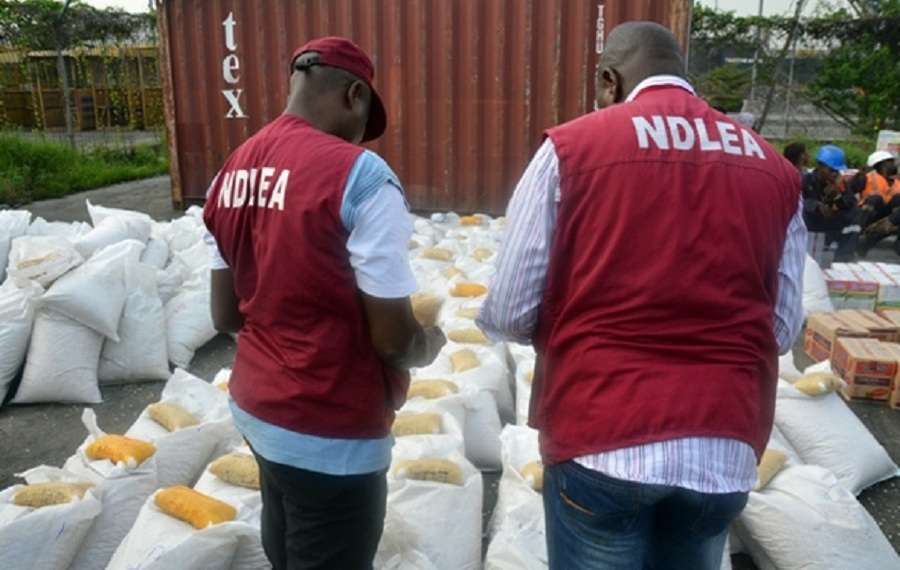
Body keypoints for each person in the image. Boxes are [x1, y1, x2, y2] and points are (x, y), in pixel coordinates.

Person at [477, 22, 805, 570]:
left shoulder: (572, 149)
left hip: (601, 428)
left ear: (609, 79)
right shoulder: (775, 170)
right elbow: (782, 329)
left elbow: (510, 309)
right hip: (723, 441)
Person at [203, 37, 445, 570]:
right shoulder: (361, 176)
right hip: (332, 433)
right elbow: (393, 341)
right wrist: (427, 343)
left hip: (256, 410)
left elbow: (224, 315)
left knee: (286, 546)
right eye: (363, 122)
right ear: (354, 94)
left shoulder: (230, 173)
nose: (359, 137)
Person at [801, 144, 861, 262]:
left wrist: (837, 195)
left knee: (855, 214)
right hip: (809, 225)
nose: (834, 174)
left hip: (829, 224)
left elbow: (850, 203)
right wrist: (816, 205)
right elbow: (798, 202)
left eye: (836, 171)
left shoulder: (840, 183)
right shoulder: (806, 180)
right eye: (831, 170)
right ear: (820, 166)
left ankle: (844, 255)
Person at [856, 151, 900, 256]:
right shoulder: (868, 178)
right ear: (881, 164)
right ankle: (857, 236)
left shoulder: (896, 182)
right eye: (890, 162)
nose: (894, 165)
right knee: (876, 198)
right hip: (870, 214)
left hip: (889, 218)